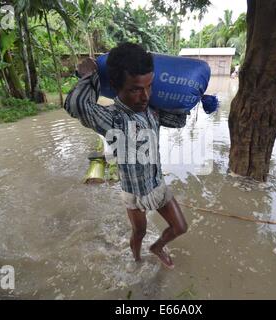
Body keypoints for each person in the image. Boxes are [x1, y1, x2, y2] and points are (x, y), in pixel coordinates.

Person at [64, 42, 188, 269]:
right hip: (133, 193)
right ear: (115, 85)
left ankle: (157, 247)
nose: (145, 96)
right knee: (139, 232)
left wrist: (194, 99)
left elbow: (178, 121)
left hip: (157, 185)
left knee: (180, 227)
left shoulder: (152, 109)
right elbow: (76, 105)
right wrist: (88, 76)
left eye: (149, 86)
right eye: (135, 89)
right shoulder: (113, 119)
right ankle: (136, 259)